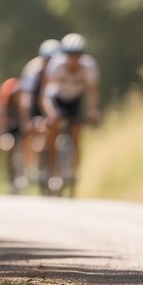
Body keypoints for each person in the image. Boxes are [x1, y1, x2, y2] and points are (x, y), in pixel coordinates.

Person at [39, 32, 101, 193]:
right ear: (64, 55)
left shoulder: (89, 67)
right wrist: (51, 114)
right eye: (70, 55)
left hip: (74, 101)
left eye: (77, 55)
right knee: (53, 130)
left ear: (82, 55)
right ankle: (52, 172)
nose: (73, 59)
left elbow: (92, 92)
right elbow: (46, 95)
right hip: (57, 99)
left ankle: (73, 173)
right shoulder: (56, 66)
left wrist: (93, 112)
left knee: (76, 132)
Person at [18, 38, 61, 188]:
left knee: (55, 129)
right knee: (30, 131)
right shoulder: (33, 70)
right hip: (35, 101)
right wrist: (26, 121)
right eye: (48, 60)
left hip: (53, 101)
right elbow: (26, 98)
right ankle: (29, 168)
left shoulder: (61, 69)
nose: (51, 63)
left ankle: (53, 170)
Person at [0, 75, 26, 191]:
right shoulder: (4, 103)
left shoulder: (23, 102)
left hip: (19, 128)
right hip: (7, 129)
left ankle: (23, 173)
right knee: (8, 147)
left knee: (24, 145)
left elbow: (24, 118)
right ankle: (10, 176)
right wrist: (0, 134)